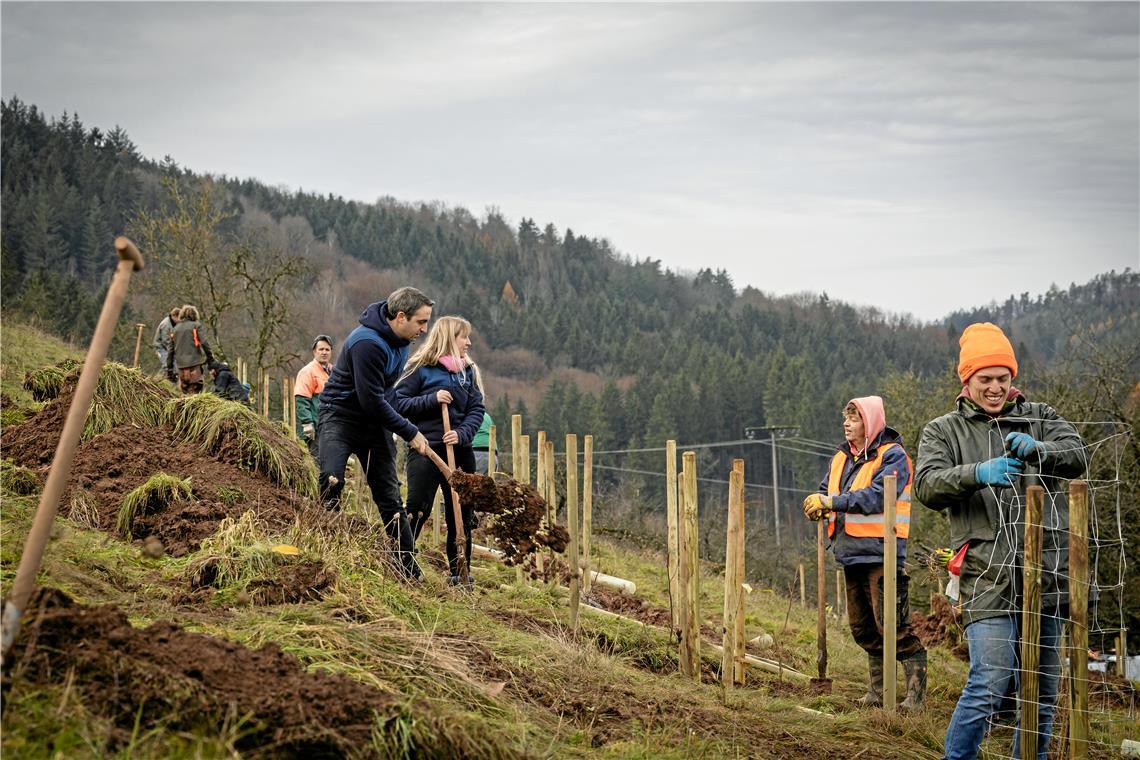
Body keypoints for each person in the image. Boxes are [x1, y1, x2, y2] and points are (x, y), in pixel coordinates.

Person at [913, 322, 1086, 760]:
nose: (994, 388)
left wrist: (1040, 450)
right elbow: (927, 486)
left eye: (1002, 378)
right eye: (984, 379)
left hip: (1045, 574)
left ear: (1013, 379)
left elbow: (1078, 455)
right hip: (986, 575)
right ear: (966, 380)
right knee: (990, 682)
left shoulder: (1040, 418)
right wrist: (977, 473)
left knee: (1041, 690)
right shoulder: (943, 430)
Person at [803, 395, 927, 711]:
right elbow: (825, 490)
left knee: (893, 627)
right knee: (864, 627)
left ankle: (915, 697)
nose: (847, 423)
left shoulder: (893, 456)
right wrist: (817, 503)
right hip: (850, 552)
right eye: (846, 418)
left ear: (870, 423)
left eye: (854, 418)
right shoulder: (840, 458)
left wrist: (831, 503)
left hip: (882, 553)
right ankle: (878, 692)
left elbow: (876, 497)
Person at [317, 287, 432, 581]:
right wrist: (409, 432)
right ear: (401, 317)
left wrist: (409, 421)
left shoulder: (401, 341)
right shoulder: (367, 343)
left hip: (373, 424)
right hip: (340, 416)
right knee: (332, 478)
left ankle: (407, 568)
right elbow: (371, 400)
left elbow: (387, 393)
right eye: (421, 322)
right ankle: (322, 552)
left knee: (390, 496)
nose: (425, 329)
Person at [395, 316, 486, 586]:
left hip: (460, 452)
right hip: (426, 449)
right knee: (418, 508)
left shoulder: (467, 372)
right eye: (463, 337)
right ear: (449, 338)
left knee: (462, 514)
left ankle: (460, 573)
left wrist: (461, 434)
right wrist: (431, 399)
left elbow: (476, 410)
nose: (469, 342)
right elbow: (397, 402)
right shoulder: (420, 368)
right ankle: (402, 562)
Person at [294, 334, 334, 458]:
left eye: (327, 349)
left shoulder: (333, 371)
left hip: (329, 428)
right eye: (321, 349)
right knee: (317, 462)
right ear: (314, 352)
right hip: (314, 429)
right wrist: (307, 424)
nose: (324, 352)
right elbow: (301, 400)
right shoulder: (307, 372)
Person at [166, 305, 214, 395]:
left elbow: (170, 351)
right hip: (194, 365)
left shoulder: (175, 329)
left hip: (181, 367)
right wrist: (210, 359)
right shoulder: (196, 326)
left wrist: (169, 369)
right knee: (195, 392)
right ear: (195, 315)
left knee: (186, 392)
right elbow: (204, 343)